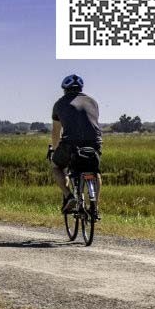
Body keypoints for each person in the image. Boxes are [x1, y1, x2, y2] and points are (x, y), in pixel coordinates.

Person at [50, 74, 103, 218]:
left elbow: (56, 132)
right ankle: (95, 208)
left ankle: (69, 196)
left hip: (70, 144)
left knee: (56, 167)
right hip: (94, 144)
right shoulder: (93, 102)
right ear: (81, 88)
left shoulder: (59, 104)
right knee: (95, 172)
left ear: (65, 90)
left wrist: (54, 150)